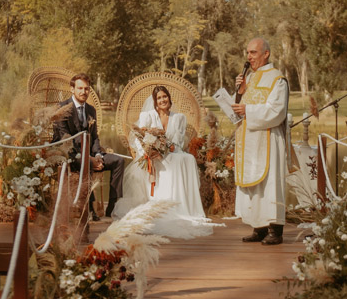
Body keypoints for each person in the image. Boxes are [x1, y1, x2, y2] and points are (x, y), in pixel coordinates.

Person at [112, 85, 218, 239]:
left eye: (165, 97)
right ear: (155, 102)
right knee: (177, 160)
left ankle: (185, 208)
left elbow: (179, 144)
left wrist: (167, 147)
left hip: (173, 152)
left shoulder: (179, 118)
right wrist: (149, 153)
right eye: (159, 98)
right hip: (153, 156)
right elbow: (138, 140)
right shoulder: (148, 117)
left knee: (188, 158)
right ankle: (164, 206)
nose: (162, 100)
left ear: (169, 98)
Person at [231, 37, 289, 245]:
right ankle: (259, 227)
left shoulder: (276, 79)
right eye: (247, 52)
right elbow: (240, 106)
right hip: (249, 139)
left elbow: (277, 111)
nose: (249, 57)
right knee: (255, 185)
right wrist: (240, 92)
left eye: (253, 52)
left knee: (270, 183)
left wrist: (248, 110)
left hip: (268, 138)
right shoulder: (251, 78)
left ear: (266, 54)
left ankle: (275, 229)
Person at [52, 73, 124, 222]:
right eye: (80, 88)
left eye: (86, 89)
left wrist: (97, 155)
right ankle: (89, 208)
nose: (83, 92)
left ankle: (112, 207)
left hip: (91, 154)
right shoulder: (61, 109)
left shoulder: (91, 110)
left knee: (119, 161)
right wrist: (89, 159)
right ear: (72, 89)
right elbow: (66, 141)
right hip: (69, 155)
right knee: (85, 163)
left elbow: (95, 136)